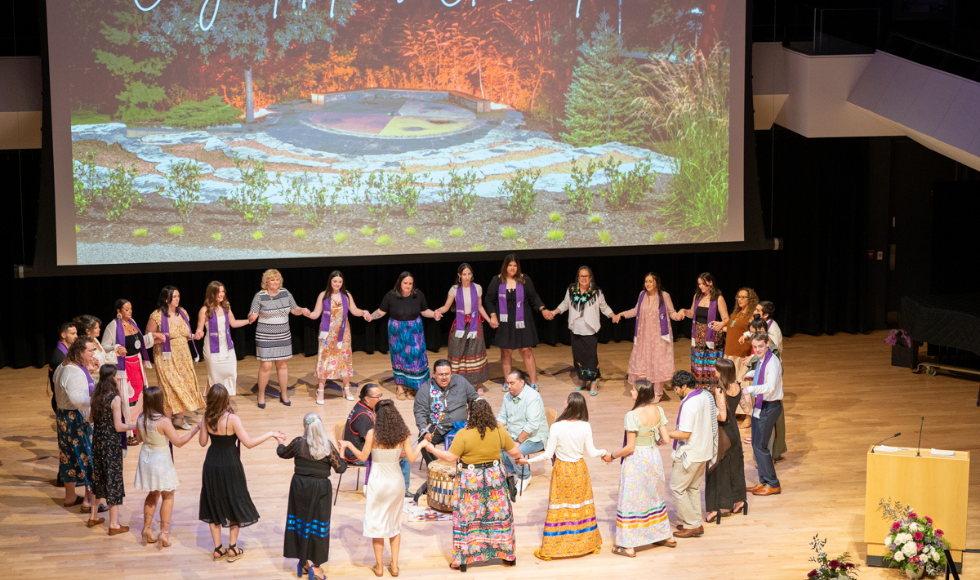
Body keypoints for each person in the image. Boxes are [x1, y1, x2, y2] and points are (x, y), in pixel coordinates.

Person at [422, 399, 523, 571]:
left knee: (468, 518)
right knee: (498, 515)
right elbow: (514, 452)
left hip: (471, 481)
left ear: (471, 414)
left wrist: (430, 448)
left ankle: (463, 559)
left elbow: (449, 457)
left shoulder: (463, 434)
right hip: (494, 479)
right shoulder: (499, 431)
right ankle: (507, 555)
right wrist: (519, 455)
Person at [199, 384, 285, 562]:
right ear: (226, 400)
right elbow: (249, 443)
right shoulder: (232, 419)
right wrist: (270, 433)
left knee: (213, 503)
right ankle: (232, 548)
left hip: (212, 463)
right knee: (234, 501)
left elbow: (202, 443)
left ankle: (217, 549)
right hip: (230, 464)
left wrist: (201, 427)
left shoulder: (206, 417)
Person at [340, 400, 425, 577]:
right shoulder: (403, 434)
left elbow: (363, 457)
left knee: (377, 524)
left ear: (377, 416)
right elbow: (410, 458)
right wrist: (422, 445)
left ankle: (379, 567)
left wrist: (348, 445)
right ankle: (394, 566)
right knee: (394, 525)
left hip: (378, 482)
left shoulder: (372, 434)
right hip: (396, 482)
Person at [520, 392, 605, 560]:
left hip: (562, 471)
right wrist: (606, 453)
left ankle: (552, 549)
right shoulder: (585, 426)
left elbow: (547, 454)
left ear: (569, 405)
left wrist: (527, 462)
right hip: (580, 470)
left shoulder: (557, 427)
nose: (563, 401)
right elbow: (593, 452)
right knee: (581, 506)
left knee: (560, 508)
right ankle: (588, 544)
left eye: (566, 400)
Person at [601, 380, 675, 556]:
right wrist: (652, 442)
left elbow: (630, 447)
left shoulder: (632, 415)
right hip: (653, 456)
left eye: (633, 390)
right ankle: (665, 535)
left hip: (637, 460)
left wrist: (612, 456)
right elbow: (665, 439)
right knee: (654, 497)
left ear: (640, 393)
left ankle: (629, 546)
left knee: (631, 500)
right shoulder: (659, 410)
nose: (632, 392)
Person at [278, 412, 347, 580]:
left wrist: (279, 441)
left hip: (300, 487)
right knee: (318, 527)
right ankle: (315, 568)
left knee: (300, 522)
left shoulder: (297, 443)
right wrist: (342, 450)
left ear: (305, 427)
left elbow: (282, 453)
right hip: (320, 490)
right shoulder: (328, 447)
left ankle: (303, 562)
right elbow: (341, 468)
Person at [133, 386, 201, 547]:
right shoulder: (163, 421)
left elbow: (138, 439)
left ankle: (147, 529)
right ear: (159, 401)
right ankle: (164, 533)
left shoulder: (141, 417)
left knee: (153, 493)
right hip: (160, 460)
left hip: (145, 458)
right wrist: (196, 429)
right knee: (168, 495)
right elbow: (178, 442)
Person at [368, 271, 441, 399]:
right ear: (400, 283)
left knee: (415, 360)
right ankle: (400, 387)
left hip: (414, 332)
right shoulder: (391, 295)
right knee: (399, 360)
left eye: (410, 283)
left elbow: (424, 311)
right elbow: (381, 311)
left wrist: (434, 314)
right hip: (397, 332)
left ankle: (412, 388)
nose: (408, 286)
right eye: (405, 283)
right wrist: (371, 316)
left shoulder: (418, 295)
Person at [412, 359, 478, 498]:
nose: (444, 377)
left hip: (459, 426)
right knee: (422, 443)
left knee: (474, 439)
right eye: (440, 374)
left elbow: (474, 399)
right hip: (437, 427)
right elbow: (420, 412)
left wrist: (475, 420)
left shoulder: (461, 382)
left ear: (451, 373)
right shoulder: (425, 388)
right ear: (434, 375)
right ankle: (438, 469)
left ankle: (465, 473)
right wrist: (424, 430)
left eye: (447, 374)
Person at [485, 254, 549, 391]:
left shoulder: (524, 280)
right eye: (510, 265)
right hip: (505, 321)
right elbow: (488, 299)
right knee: (506, 352)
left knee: (526, 351)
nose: (512, 268)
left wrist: (542, 309)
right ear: (505, 266)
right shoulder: (497, 280)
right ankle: (509, 381)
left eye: (515, 265)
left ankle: (534, 382)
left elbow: (534, 297)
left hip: (522, 319)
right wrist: (493, 315)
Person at [616, 272, 683, 403]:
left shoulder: (664, 296)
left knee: (658, 362)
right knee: (644, 361)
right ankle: (644, 390)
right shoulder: (642, 295)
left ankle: (658, 392)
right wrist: (621, 314)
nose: (647, 284)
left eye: (650, 281)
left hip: (659, 337)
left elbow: (672, 313)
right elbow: (636, 311)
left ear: (656, 282)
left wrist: (678, 316)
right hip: (644, 336)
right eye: (646, 281)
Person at [549, 266, 615, 396]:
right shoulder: (571, 289)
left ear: (591, 278)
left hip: (590, 329)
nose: (584, 278)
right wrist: (554, 312)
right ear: (578, 278)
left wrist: (612, 315)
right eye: (581, 276)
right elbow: (565, 304)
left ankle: (594, 381)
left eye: (586, 276)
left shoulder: (596, 291)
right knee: (578, 356)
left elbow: (604, 307)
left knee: (591, 357)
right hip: (576, 328)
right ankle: (583, 380)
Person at [667, 370, 718, 539]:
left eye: (676, 389)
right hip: (704, 450)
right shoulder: (704, 395)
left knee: (677, 487)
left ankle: (692, 524)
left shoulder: (689, 404)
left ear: (683, 386)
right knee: (692, 488)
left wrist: (665, 434)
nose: (676, 393)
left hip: (690, 453)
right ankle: (695, 521)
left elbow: (684, 433)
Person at [248, 269, 310, 408]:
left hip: (283, 335)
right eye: (272, 280)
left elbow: (294, 309)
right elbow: (252, 313)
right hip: (265, 335)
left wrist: (303, 310)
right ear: (266, 282)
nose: (275, 282)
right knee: (266, 365)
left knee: (282, 364)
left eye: (277, 279)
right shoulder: (259, 296)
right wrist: (251, 317)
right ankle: (262, 395)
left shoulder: (285, 293)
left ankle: (284, 394)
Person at [304, 270, 368, 403]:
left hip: (343, 333)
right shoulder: (323, 295)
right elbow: (316, 314)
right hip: (327, 334)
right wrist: (307, 313)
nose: (337, 284)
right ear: (330, 282)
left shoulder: (346, 295)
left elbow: (354, 311)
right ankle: (320, 391)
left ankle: (346, 389)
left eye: (340, 282)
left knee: (344, 359)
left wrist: (364, 312)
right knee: (324, 359)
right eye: (335, 281)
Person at [53, 336, 99, 516]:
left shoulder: (64, 366)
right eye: (90, 351)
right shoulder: (74, 373)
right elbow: (78, 399)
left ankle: (70, 497)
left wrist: (88, 370)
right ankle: (88, 502)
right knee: (87, 457)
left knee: (67, 457)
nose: (93, 354)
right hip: (75, 419)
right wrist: (99, 400)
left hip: (63, 418)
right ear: (80, 352)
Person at [146, 285, 204, 428]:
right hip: (166, 356)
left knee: (184, 385)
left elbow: (184, 335)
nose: (177, 299)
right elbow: (147, 338)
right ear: (167, 299)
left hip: (183, 356)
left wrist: (194, 336)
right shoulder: (157, 316)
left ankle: (179, 418)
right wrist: (157, 336)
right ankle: (166, 420)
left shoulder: (183, 312)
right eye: (175, 296)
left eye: (178, 296)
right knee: (170, 387)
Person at [88, 365, 136, 535]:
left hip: (98, 442)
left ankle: (93, 516)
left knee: (99, 478)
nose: (117, 378)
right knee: (113, 480)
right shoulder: (114, 399)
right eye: (116, 376)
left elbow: (91, 419)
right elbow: (118, 426)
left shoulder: (95, 396)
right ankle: (114, 524)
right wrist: (135, 426)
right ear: (112, 378)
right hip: (110, 444)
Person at [343, 384, 412, 496]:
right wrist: (396, 450)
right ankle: (403, 491)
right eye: (378, 397)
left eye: (381, 395)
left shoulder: (364, 406)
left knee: (400, 451)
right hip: (357, 455)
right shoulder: (363, 415)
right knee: (403, 457)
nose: (381, 399)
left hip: (363, 447)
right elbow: (374, 443)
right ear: (367, 399)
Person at [434, 263, 491, 395]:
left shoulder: (477, 288)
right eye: (464, 274)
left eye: (469, 274)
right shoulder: (454, 289)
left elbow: (480, 307)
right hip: (460, 324)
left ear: (472, 275)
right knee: (456, 351)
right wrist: (437, 311)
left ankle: (479, 383)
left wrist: (489, 320)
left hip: (475, 324)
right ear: (459, 275)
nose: (467, 277)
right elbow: (446, 307)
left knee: (475, 351)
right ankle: (455, 382)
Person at [102, 299, 153, 443]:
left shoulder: (133, 322)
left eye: (130, 309)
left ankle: (140, 428)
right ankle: (129, 433)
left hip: (137, 364)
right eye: (126, 309)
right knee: (127, 398)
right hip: (124, 367)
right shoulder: (112, 326)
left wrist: (152, 338)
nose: (130, 312)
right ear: (118, 311)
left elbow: (139, 342)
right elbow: (104, 346)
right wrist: (116, 347)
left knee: (140, 396)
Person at [704, 359, 747, 523]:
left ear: (721, 372)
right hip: (735, 431)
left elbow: (721, 416)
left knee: (715, 470)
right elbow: (747, 408)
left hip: (723, 433)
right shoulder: (737, 385)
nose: (714, 371)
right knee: (735, 467)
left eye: (716, 369)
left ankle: (715, 509)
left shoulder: (720, 390)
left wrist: (706, 413)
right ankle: (740, 500)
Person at [742, 332, 784, 496]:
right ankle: (764, 481)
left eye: (760, 346)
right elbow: (761, 371)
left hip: (770, 406)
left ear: (768, 344)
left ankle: (773, 483)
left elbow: (770, 386)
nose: (757, 349)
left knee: (760, 445)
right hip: (761, 405)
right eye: (755, 346)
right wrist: (750, 375)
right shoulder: (762, 359)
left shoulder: (772, 362)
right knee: (756, 444)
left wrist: (750, 389)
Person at [496, 369, 549, 496]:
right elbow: (502, 417)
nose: (508, 386)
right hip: (514, 434)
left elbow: (532, 425)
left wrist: (517, 442)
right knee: (494, 447)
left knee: (512, 452)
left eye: (512, 383)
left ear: (522, 383)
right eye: (507, 383)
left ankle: (525, 476)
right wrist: (496, 433)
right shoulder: (507, 396)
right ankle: (513, 471)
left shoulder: (532, 397)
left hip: (535, 438)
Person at [676, 272, 730, 390]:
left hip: (712, 337)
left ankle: (714, 391)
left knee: (712, 366)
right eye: (699, 284)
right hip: (699, 337)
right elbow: (691, 313)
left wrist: (721, 323)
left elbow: (726, 319)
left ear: (710, 283)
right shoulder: (697, 296)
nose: (700, 286)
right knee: (699, 366)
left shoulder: (718, 299)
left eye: (703, 284)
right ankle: (700, 389)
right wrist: (683, 311)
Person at [196, 281, 249, 397]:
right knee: (213, 377)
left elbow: (233, 323)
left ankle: (225, 405)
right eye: (218, 292)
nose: (221, 294)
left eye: (223, 291)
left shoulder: (226, 306)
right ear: (211, 293)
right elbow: (199, 329)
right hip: (212, 349)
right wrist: (198, 333)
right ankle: (211, 405)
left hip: (227, 348)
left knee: (230, 375)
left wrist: (248, 321)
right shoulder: (204, 310)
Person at [49, 321, 77, 487]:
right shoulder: (59, 357)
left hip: (63, 401)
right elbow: (60, 384)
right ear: (63, 335)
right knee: (68, 442)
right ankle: (64, 477)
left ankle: (67, 477)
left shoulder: (64, 352)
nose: (76, 336)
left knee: (69, 442)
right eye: (73, 333)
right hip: (63, 403)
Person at [723, 288, 758, 382]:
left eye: (743, 297)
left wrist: (746, 336)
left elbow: (757, 332)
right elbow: (733, 329)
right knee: (730, 382)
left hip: (741, 354)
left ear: (750, 299)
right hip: (730, 351)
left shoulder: (752, 315)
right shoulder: (737, 313)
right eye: (738, 297)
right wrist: (720, 327)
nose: (739, 299)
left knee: (741, 382)